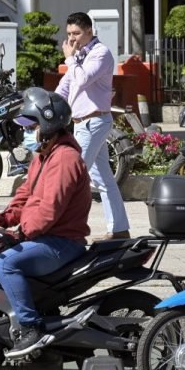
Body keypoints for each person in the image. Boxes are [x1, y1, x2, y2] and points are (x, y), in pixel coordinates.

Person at [0, 87, 91, 370]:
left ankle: (29, 329)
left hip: (60, 242)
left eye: (32, 126)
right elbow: (26, 195)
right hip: (43, 235)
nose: (27, 132)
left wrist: (18, 233)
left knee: (6, 263)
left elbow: (49, 211)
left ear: (50, 125)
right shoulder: (43, 156)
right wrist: (3, 218)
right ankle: (25, 363)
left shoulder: (65, 158)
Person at [54, 12, 130, 241]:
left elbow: (83, 79)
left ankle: (64, 228)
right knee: (104, 180)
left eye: (76, 33)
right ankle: (119, 229)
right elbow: (65, 86)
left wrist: (69, 59)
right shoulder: (79, 57)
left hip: (94, 121)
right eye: (68, 34)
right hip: (81, 123)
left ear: (89, 31)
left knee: (74, 175)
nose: (72, 39)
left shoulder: (101, 53)